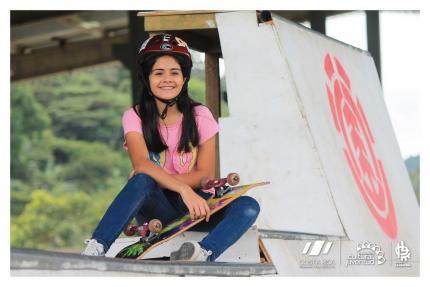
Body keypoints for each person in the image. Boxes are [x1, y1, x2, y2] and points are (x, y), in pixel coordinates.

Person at [81, 34, 260, 262]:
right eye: (159, 73)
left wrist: (167, 181)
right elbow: (141, 165)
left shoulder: (200, 115)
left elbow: (203, 174)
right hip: (158, 206)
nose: (167, 79)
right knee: (142, 181)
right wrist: (181, 188)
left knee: (248, 206)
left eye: (174, 72)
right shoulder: (134, 116)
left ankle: (202, 253)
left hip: (197, 208)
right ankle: (97, 246)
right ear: (147, 78)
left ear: (184, 78)